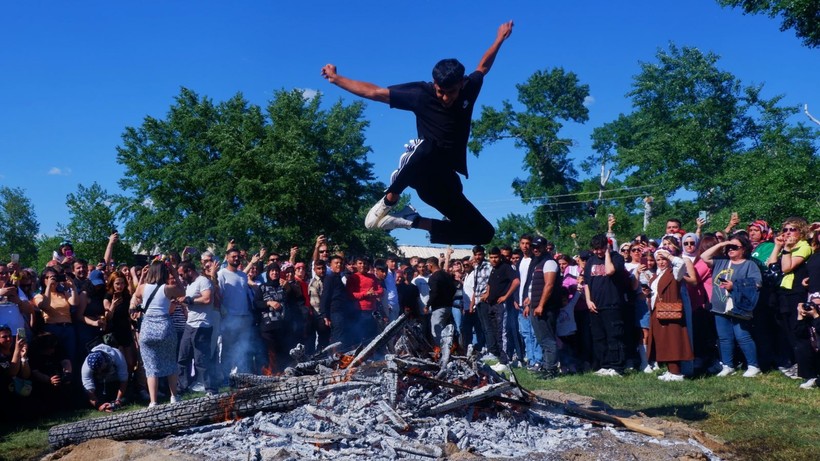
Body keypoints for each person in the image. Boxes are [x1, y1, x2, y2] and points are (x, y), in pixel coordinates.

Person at [321, 21, 514, 244]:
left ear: (461, 84)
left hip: (443, 182)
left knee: (483, 233)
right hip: (423, 167)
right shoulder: (420, 94)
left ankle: (409, 220)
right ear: (434, 84)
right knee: (427, 147)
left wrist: (499, 39)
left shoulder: (470, 87)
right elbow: (375, 92)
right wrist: (337, 79)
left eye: (450, 92)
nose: (445, 98)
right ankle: (389, 199)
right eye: (441, 92)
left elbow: (483, 67)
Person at [701, 235, 763, 378]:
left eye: (734, 247)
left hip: (739, 306)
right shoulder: (721, 262)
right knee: (724, 338)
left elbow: (757, 283)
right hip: (719, 306)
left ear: (744, 249)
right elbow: (704, 256)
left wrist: (735, 285)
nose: (730, 249)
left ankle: (753, 365)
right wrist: (723, 243)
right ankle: (728, 365)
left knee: (743, 336)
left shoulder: (749, 264)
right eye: (728, 247)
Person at [134, 261, 186, 407]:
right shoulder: (168, 289)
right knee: (170, 362)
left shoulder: (143, 287)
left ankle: (153, 401)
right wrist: (175, 273)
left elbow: (137, 295)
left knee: (151, 367)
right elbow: (182, 292)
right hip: (164, 327)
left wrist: (142, 278)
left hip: (147, 328)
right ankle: (174, 396)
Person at [766, 217, 811, 378]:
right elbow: (771, 265)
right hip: (783, 292)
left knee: (797, 329)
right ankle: (796, 363)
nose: (787, 233)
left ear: (801, 232)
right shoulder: (787, 247)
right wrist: (778, 246)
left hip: (796, 292)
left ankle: (804, 367)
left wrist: (786, 248)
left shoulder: (803, 246)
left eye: (792, 229)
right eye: (785, 230)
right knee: (786, 330)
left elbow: (786, 267)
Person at [645, 246, 696, 381]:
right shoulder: (657, 275)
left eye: (663, 259)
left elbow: (681, 263)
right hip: (657, 310)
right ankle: (670, 370)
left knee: (672, 341)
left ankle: (676, 372)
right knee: (663, 341)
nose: (661, 262)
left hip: (670, 311)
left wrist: (669, 256)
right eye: (658, 259)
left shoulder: (674, 272)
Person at [584, 234, 630, 377]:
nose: (598, 251)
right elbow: (586, 283)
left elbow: (610, 271)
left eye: (601, 248)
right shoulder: (590, 261)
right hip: (595, 305)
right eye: (595, 249)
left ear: (607, 246)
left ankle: (617, 367)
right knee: (599, 337)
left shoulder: (617, 258)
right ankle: (605, 364)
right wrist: (588, 300)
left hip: (611, 303)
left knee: (614, 336)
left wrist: (607, 254)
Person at [176, 261, 218, 395]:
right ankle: (182, 386)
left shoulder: (203, 281)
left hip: (202, 325)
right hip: (190, 324)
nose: (181, 277)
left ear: (189, 270)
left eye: (182, 274)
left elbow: (207, 299)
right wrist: (181, 302)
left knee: (201, 360)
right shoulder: (190, 285)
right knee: (183, 357)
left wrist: (190, 300)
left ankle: (210, 388)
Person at [218, 248, 255, 375]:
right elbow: (219, 296)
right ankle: (224, 376)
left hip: (244, 318)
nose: (236, 258)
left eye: (238, 256)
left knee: (243, 348)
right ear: (227, 258)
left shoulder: (243, 275)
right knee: (228, 349)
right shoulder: (221, 274)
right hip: (230, 319)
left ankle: (241, 376)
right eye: (233, 256)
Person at [481, 247, 520, 368]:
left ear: (500, 256)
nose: (493, 260)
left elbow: (516, 281)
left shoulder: (506, 267)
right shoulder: (494, 269)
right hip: (491, 304)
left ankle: (505, 361)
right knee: (495, 332)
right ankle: (500, 358)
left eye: (496, 257)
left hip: (501, 305)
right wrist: (487, 293)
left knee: (502, 332)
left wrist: (506, 296)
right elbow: (490, 283)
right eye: (491, 257)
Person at [80, 344, 128, 412]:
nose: (100, 372)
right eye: (97, 371)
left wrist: (118, 400)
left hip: (116, 381)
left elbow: (124, 381)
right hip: (100, 384)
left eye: (102, 369)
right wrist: (99, 406)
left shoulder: (118, 357)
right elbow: (90, 393)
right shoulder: (86, 368)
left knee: (126, 398)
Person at [426, 257, 456, 345]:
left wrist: (427, 305)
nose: (427, 267)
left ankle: (442, 352)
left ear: (430, 265)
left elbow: (434, 292)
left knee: (437, 332)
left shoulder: (434, 277)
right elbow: (453, 289)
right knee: (446, 332)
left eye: (427, 265)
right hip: (449, 307)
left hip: (438, 307)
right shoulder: (446, 275)